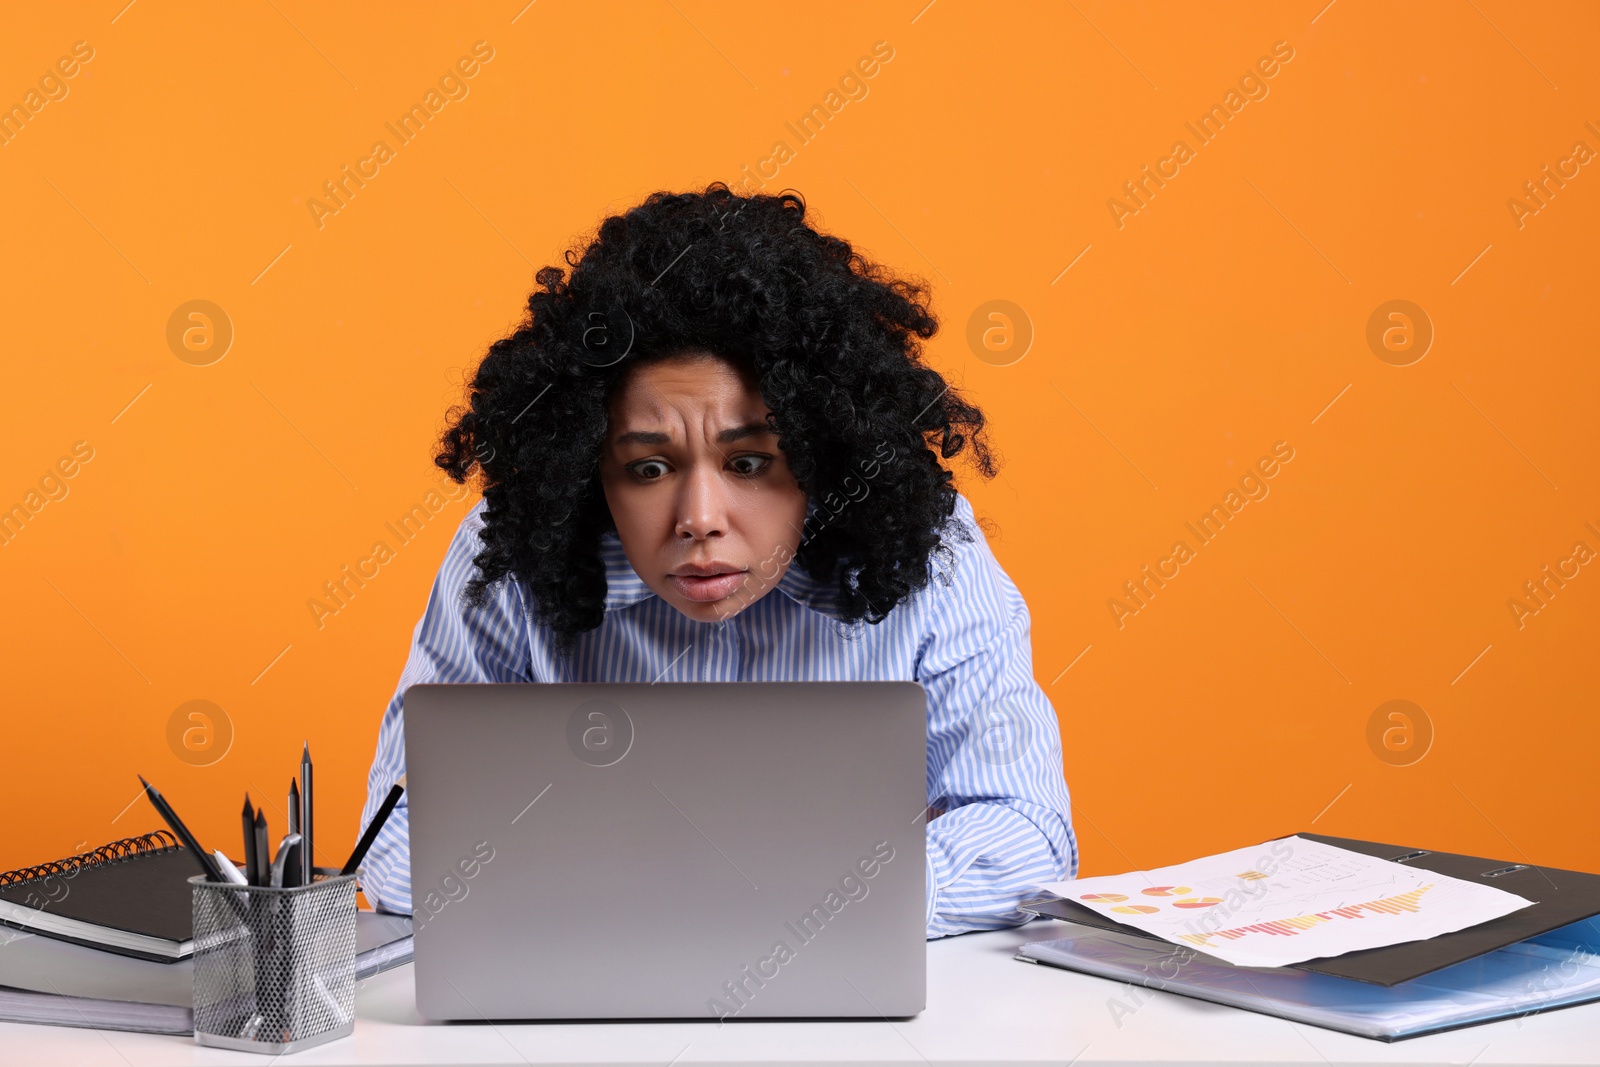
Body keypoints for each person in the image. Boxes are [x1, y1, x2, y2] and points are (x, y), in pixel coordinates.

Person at [357, 182, 1076, 938]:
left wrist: (826, 899)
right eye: (647, 469)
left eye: (751, 462)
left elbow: (1029, 834)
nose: (699, 519)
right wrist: (725, 893)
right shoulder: (509, 550)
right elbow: (398, 843)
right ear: (589, 466)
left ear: (824, 454)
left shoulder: (931, 550)